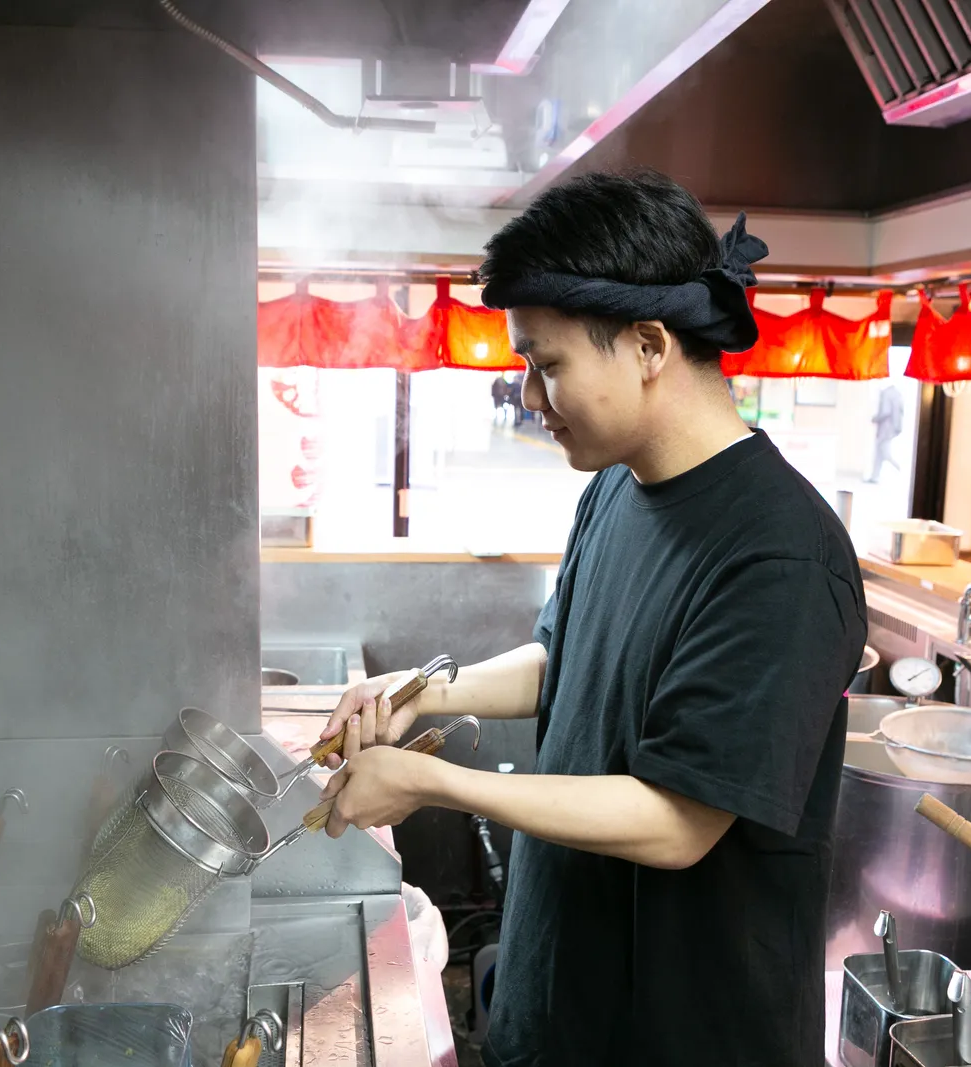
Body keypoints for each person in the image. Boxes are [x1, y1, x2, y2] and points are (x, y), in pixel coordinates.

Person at [314, 171, 867, 1066]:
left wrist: (433, 784)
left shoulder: (780, 554)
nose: (532, 396)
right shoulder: (620, 484)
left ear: (648, 345)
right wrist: (423, 691)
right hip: (561, 998)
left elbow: (678, 822)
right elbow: (561, 658)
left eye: (548, 362)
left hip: (682, 1037)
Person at [867, 382, 904, 483]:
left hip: (885, 428)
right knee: (880, 452)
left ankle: (902, 470)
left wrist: (876, 419)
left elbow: (885, 411)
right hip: (891, 428)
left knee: (885, 453)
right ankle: (874, 476)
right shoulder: (896, 393)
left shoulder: (887, 393)